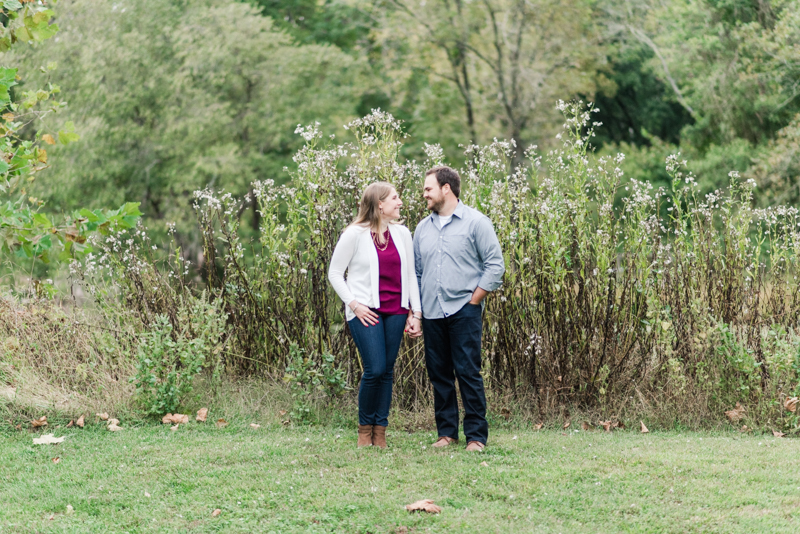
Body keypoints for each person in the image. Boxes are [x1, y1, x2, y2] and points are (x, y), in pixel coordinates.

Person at [411, 165, 505, 452]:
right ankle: (446, 433)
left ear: (446, 189)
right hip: (432, 313)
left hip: (464, 310)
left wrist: (474, 300)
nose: (424, 194)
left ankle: (476, 436)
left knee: (468, 373)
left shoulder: (476, 222)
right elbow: (416, 272)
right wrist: (417, 311)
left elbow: (495, 265)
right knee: (439, 373)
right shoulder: (422, 229)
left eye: (428, 188)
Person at [328, 182, 422, 449]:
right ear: (380, 204)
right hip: (365, 311)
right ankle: (364, 430)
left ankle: (380, 432)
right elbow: (335, 273)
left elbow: (410, 275)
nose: (400, 202)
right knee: (375, 368)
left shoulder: (403, 233)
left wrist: (416, 312)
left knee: (388, 371)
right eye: (395, 197)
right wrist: (354, 304)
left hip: (397, 310)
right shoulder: (354, 234)